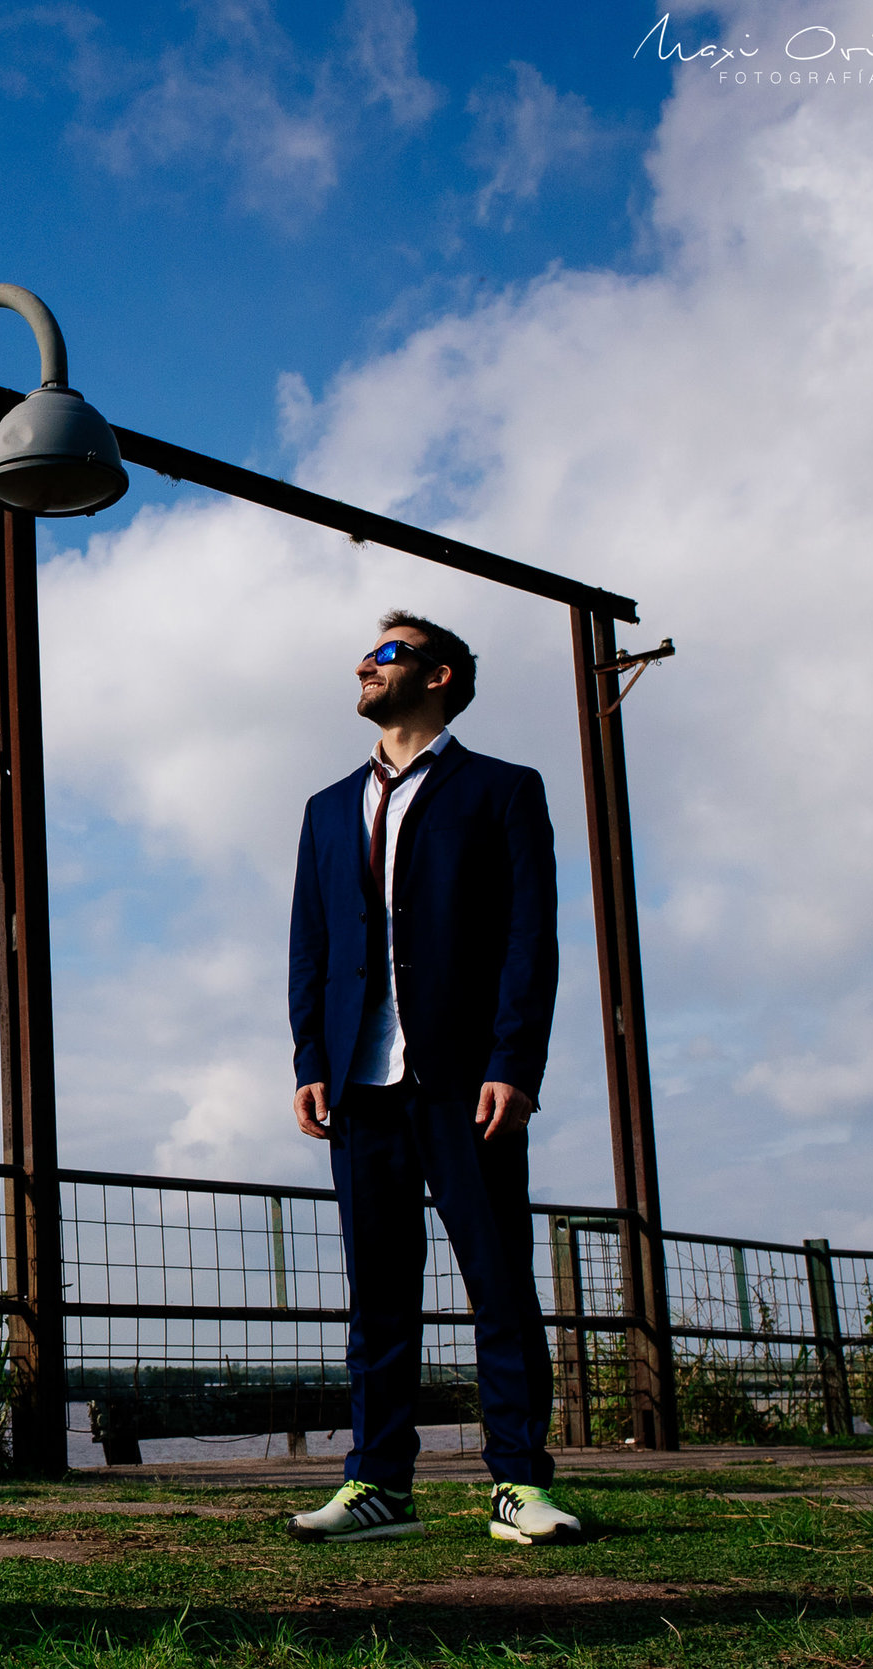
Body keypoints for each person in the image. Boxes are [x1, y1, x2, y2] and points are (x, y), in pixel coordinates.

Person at [284, 612, 583, 1548]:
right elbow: (311, 944)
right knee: (377, 1290)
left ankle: (521, 1486)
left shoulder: (503, 790)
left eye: (388, 654)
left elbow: (530, 941)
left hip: (466, 1082)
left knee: (498, 1281)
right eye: (367, 655)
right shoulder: (326, 807)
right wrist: (308, 1059)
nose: (366, 666)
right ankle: (377, 1483)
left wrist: (515, 1064)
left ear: (440, 675)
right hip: (361, 1087)